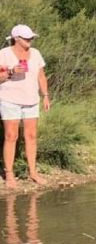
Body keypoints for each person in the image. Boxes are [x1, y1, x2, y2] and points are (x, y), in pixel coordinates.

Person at [0, 25, 51, 188]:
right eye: (27, 38)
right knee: (11, 136)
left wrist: (46, 96)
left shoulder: (35, 54)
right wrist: (11, 72)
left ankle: (33, 172)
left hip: (32, 100)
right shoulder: (4, 54)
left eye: (31, 38)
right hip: (10, 99)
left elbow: (41, 76)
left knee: (31, 136)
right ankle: (9, 174)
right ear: (16, 39)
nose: (30, 40)